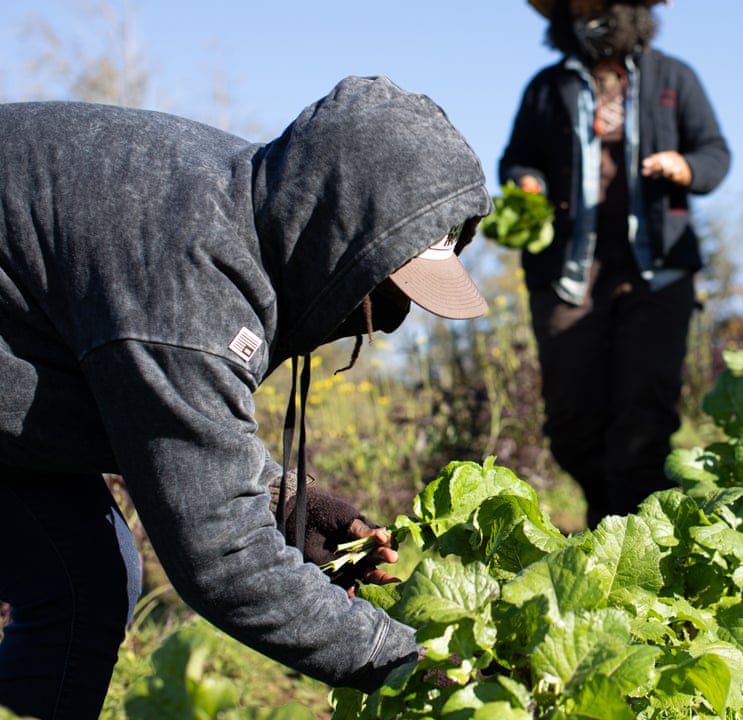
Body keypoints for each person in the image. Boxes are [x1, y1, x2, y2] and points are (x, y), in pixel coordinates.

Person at [0, 75, 493, 719]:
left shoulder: (242, 206)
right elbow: (224, 558)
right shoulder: (190, 281)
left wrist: (286, 499)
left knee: (79, 586)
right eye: (386, 283)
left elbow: (172, 419)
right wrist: (419, 664)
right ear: (338, 240)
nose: (389, 316)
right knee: (76, 585)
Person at [498, 0, 731, 529]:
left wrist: (686, 166)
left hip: (656, 270)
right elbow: (516, 156)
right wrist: (527, 179)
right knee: (571, 420)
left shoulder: (673, 77)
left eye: (600, 7)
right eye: (579, 10)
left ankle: (634, 537)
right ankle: (617, 516)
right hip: (570, 273)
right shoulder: (547, 87)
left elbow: (716, 153)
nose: (591, 20)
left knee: (644, 412)